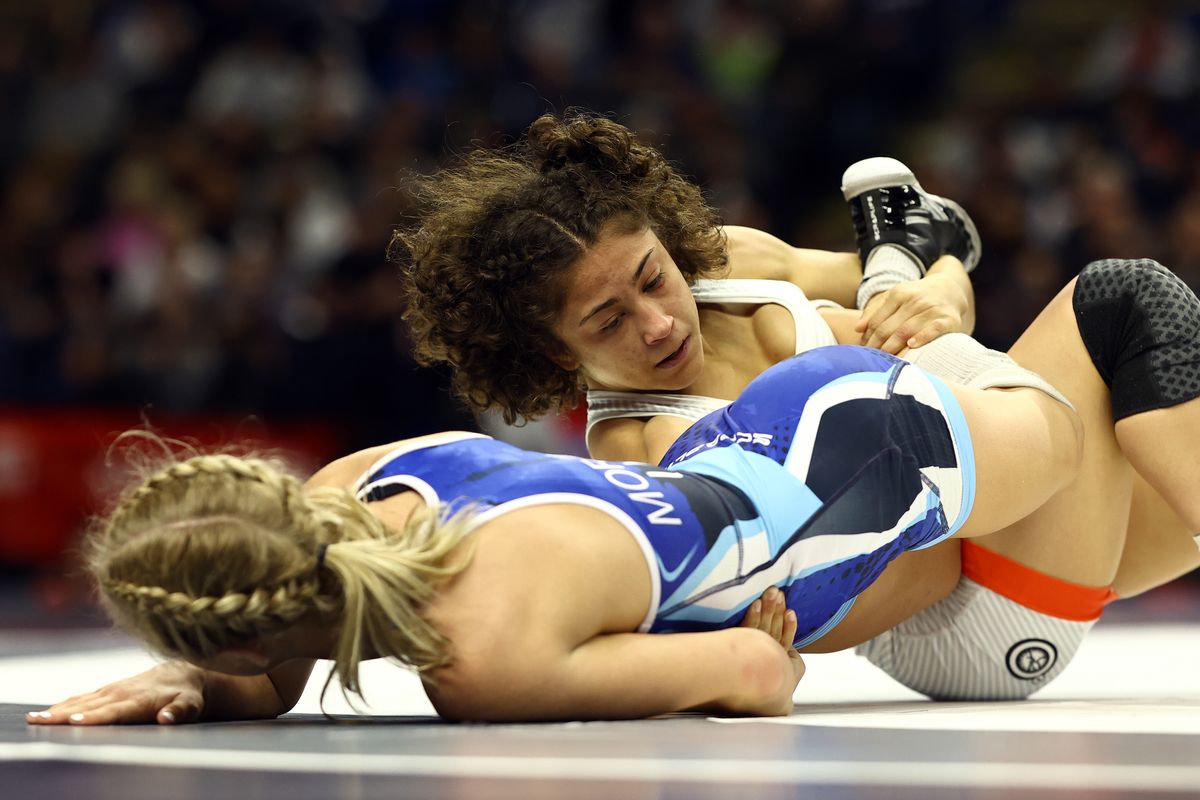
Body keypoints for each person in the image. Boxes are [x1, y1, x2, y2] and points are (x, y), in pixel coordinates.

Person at [393, 112, 1200, 699]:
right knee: (1122, 304)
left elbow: (932, 256)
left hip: (1027, 504)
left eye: (651, 277)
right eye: (609, 321)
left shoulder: (732, 261)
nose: (661, 322)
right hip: (976, 615)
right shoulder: (643, 444)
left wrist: (940, 298)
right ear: (553, 355)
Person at [28, 341, 1081, 725]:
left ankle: (919, 273)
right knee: (1128, 534)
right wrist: (204, 681)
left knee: (1094, 398)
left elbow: (760, 671)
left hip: (859, 478)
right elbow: (282, 669)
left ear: (247, 632)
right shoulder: (356, 482)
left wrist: (706, 650)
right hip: (778, 431)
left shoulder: (481, 659)